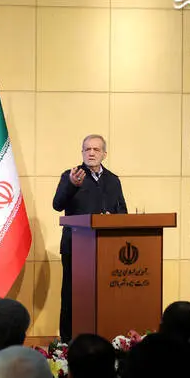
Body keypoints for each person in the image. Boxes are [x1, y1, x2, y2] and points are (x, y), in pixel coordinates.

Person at [52, 134, 127, 342]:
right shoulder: (71, 175)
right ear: (82, 152)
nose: (91, 153)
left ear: (104, 154)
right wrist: (71, 185)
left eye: (96, 149)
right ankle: (68, 341)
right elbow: (57, 205)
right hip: (75, 247)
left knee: (104, 294)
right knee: (72, 295)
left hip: (106, 248)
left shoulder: (113, 180)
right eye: (87, 149)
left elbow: (123, 212)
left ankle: (105, 337)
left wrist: (112, 219)